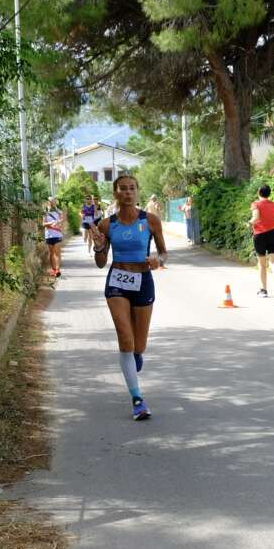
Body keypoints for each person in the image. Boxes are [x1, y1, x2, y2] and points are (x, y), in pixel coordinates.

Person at [89, 174, 167, 420]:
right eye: (122, 189)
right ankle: (137, 399)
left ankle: (134, 356)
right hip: (117, 282)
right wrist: (100, 247)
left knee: (138, 345)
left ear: (137, 192)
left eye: (132, 188)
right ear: (116, 193)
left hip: (143, 281)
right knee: (125, 336)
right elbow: (101, 263)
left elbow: (164, 253)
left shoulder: (151, 221)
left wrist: (157, 260)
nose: (127, 192)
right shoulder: (106, 224)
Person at [249, 184, 274, 298]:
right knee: (273, 262)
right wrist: (272, 223)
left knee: (262, 264)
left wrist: (249, 223)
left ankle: (263, 290)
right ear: (269, 193)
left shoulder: (255, 204)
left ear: (259, 192)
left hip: (260, 235)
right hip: (273, 233)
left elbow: (256, 217)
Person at [43, 196, 63, 277]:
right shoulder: (45, 212)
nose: (52, 202)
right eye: (51, 201)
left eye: (54, 201)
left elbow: (61, 221)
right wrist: (51, 223)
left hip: (57, 234)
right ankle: (54, 270)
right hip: (49, 235)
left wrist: (58, 222)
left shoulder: (58, 211)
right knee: (51, 253)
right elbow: (43, 224)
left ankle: (58, 270)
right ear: (48, 202)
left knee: (57, 252)